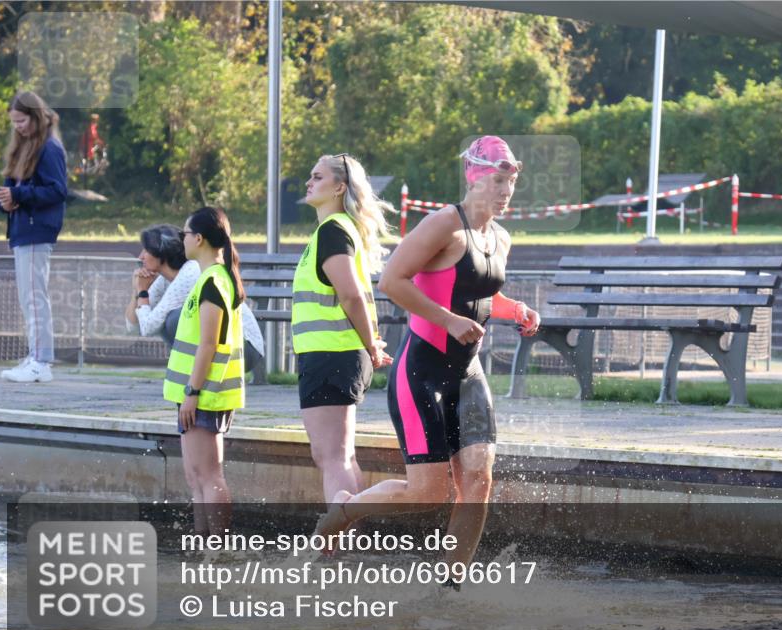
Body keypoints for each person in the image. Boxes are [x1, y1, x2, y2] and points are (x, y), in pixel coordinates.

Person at [316, 136, 541, 585]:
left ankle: (450, 588)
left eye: (510, 183)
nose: (505, 192)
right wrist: (449, 321)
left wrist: (514, 310)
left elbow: (480, 293)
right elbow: (393, 281)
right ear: (474, 177)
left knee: (478, 482)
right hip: (422, 371)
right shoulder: (444, 224)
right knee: (426, 493)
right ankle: (340, 514)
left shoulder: (499, 237)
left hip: (468, 373)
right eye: (497, 181)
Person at [295, 153, 395, 504]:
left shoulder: (333, 231)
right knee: (341, 455)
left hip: (332, 353)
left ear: (340, 186)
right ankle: (348, 538)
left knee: (331, 457)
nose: (309, 182)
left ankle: (336, 544)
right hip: (333, 353)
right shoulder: (334, 230)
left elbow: (351, 295)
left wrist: (372, 344)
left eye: (317, 177)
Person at [163, 208, 246, 536]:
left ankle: (219, 550)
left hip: (204, 395)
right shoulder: (209, 278)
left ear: (198, 239)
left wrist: (192, 393)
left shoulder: (214, 281)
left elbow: (208, 344)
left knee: (209, 477)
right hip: (197, 394)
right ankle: (203, 548)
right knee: (195, 478)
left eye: (184, 233)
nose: (181, 239)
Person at [0, 91, 68, 383]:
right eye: (14, 122)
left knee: (35, 297)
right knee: (29, 297)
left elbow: (58, 190)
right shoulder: (24, 146)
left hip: (38, 230)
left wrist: (19, 195)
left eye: (22, 120)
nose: (18, 127)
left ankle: (41, 361)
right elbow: (12, 187)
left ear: (35, 116)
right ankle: (35, 355)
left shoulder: (50, 148)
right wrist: (6, 200)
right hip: (23, 229)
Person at [125, 224, 265, 373]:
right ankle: (195, 374)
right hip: (227, 348)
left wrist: (143, 292)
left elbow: (148, 328)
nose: (141, 257)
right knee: (168, 320)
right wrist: (137, 291)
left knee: (173, 319)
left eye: (146, 250)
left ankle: (197, 377)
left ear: (162, 253)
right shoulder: (165, 280)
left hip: (245, 348)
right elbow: (134, 328)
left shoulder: (189, 273)